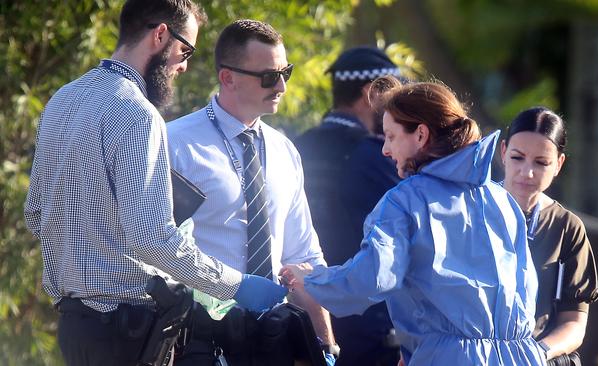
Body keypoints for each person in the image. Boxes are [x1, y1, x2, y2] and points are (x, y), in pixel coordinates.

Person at [23, 2, 285, 365]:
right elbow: (152, 238)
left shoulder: (62, 100)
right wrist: (237, 285)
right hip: (129, 331)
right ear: (160, 34)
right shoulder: (138, 114)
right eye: (185, 50)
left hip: (74, 328)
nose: (184, 65)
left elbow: (36, 214)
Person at [280, 77, 547, 365]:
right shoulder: (502, 198)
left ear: (420, 135)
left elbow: (371, 279)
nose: (384, 149)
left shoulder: (404, 200)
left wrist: (312, 279)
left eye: (391, 136)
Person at [166, 19, 336, 364]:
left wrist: (325, 343)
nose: (282, 87)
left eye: (285, 73)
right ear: (227, 77)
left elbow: (303, 259)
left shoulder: (285, 150)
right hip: (200, 341)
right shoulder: (174, 144)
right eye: (270, 77)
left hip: (273, 341)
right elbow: (154, 247)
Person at [294, 48, 401, 365]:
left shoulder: (296, 145)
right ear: (372, 94)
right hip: (368, 323)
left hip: (306, 313)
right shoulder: (375, 154)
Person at [500, 107, 598, 365]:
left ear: (559, 164)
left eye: (541, 162)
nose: (527, 172)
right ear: (502, 153)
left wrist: (535, 354)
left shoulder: (567, 227)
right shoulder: (470, 211)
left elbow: (574, 323)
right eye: (517, 157)